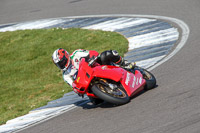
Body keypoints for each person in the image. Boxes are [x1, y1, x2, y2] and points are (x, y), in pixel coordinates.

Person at [52, 48, 134, 105]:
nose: (61, 65)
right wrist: (77, 89)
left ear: (66, 56)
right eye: (59, 64)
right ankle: (110, 91)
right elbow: (73, 85)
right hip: (88, 83)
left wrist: (92, 57)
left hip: (95, 67)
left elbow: (91, 53)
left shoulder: (76, 54)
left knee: (108, 54)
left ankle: (124, 64)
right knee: (96, 102)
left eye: (62, 62)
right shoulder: (65, 75)